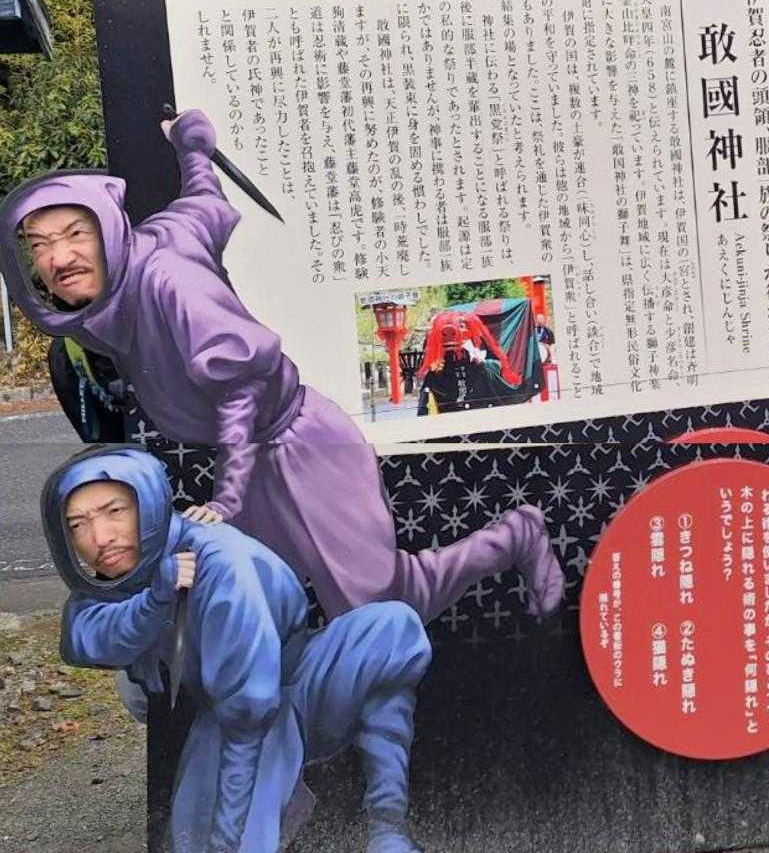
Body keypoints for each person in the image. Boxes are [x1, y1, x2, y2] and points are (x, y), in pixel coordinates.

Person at [0, 109, 565, 625]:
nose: (59, 257)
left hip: (300, 446)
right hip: (255, 461)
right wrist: (193, 146)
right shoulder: (160, 238)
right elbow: (204, 202)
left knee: (378, 603)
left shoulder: (169, 280)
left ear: (106, 228)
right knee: (250, 603)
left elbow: (242, 385)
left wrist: (228, 499)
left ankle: (515, 537)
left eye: (75, 234)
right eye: (39, 244)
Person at [43, 445, 431, 853]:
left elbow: (249, 711)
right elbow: (81, 638)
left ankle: (387, 828)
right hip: (216, 709)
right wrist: (153, 602)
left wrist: (226, 840)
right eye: (77, 524)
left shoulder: (221, 562)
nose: (100, 537)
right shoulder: (130, 572)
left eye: (115, 511)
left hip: (281, 698)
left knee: (392, 629)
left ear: (149, 503)